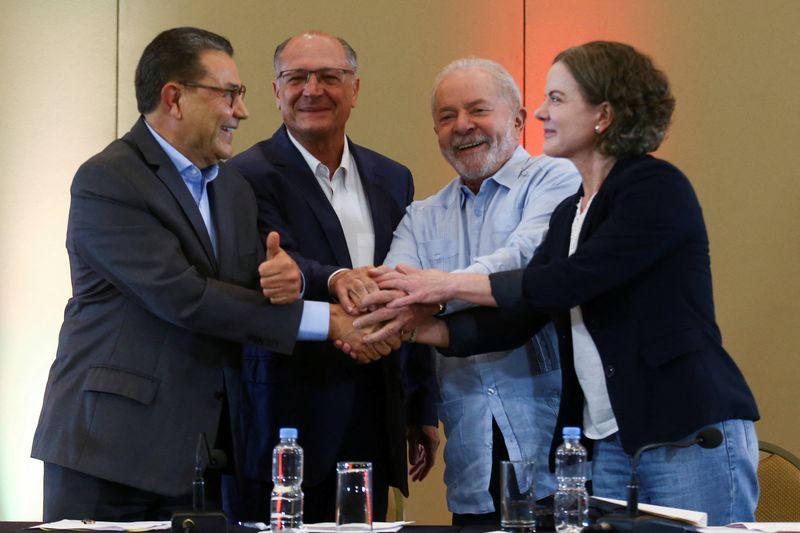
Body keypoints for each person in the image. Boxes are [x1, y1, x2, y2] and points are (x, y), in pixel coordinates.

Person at [354, 41, 760, 525]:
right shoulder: (573, 210)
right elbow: (520, 317)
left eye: (558, 99)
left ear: (603, 114)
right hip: (605, 439)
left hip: (681, 427)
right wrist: (411, 328)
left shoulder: (654, 187)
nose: (543, 111)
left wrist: (443, 285)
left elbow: (562, 283)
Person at [30, 26, 392, 523]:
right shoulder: (109, 179)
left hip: (204, 458)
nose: (241, 111)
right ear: (174, 98)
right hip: (110, 454)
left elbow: (243, 291)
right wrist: (330, 322)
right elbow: (186, 297)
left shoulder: (232, 188)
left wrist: (284, 280)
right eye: (229, 94)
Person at [227, 31, 438, 522]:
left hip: (375, 407)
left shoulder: (393, 177)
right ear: (276, 91)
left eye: (329, 76)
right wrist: (336, 276)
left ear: (356, 89)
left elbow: (411, 282)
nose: (312, 89)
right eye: (296, 77)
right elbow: (261, 264)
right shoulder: (243, 176)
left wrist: (421, 404)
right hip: (286, 414)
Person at [365, 58, 579, 526]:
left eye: (478, 110)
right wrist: (412, 300)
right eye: (447, 116)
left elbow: (527, 262)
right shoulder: (421, 215)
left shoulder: (557, 179)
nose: (462, 126)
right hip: (470, 453)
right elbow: (392, 288)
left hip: (558, 449)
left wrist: (438, 288)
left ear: (519, 119)